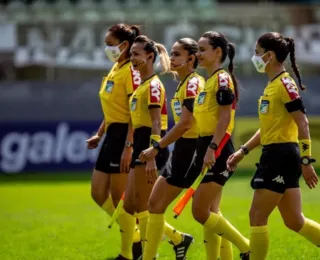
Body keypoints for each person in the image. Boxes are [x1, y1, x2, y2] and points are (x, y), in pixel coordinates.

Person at [227, 32, 320, 260]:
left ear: (269, 55)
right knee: (294, 220)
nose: (254, 56)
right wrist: (243, 151)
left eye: (257, 52)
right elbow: (266, 128)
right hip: (277, 153)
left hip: (280, 155)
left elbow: (302, 123)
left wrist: (307, 161)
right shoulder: (272, 85)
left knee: (257, 216)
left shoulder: (285, 84)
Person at [139, 37, 233, 260]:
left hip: (193, 148)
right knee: (155, 204)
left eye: (177, 54)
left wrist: (157, 147)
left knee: (205, 211)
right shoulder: (186, 83)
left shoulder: (194, 83)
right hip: (185, 147)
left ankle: (240, 249)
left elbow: (187, 123)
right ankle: (155, 253)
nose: (171, 58)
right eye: (171, 54)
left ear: (191, 59)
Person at [117, 35, 191, 260]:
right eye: (131, 54)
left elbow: (157, 123)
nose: (132, 58)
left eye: (136, 54)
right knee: (127, 208)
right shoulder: (141, 85)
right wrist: (130, 147)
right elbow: (136, 122)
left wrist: (151, 156)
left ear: (150, 56)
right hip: (141, 148)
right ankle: (176, 239)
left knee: (143, 208)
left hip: (150, 150)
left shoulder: (153, 86)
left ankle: (150, 254)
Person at [192, 31, 250, 260]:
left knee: (199, 211)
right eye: (197, 49)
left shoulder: (222, 79)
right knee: (212, 212)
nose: (198, 54)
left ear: (217, 52)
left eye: (202, 49)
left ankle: (246, 246)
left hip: (217, 148)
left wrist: (212, 148)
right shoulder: (209, 81)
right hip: (208, 146)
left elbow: (225, 120)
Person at [86, 23, 142, 259]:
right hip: (111, 134)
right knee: (98, 193)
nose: (106, 48)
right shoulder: (114, 69)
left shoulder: (132, 70)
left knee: (122, 200)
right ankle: (145, 236)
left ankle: (128, 252)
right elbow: (112, 110)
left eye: (110, 44)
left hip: (125, 136)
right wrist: (100, 133)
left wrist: (129, 146)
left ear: (124, 45)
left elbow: (134, 112)